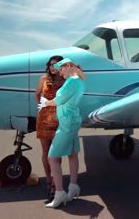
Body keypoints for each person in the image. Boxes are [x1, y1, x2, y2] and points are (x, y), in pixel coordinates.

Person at [40, 58, 85, 208]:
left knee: (52, 157)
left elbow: (58, 100)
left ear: (68, 67)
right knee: (72, 153)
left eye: (61, 69)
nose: (60, 72)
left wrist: (44, 103)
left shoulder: (71, 82)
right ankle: (73, 186)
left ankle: (60, 193)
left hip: (67, 122)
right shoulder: (77, 80)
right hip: (74, 119)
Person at [35, 55, 65, 200]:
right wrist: (42, 107)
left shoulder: (66, 80)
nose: (53, 67)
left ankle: (55, 183)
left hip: (60, 118)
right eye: (52, 65)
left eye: (57, 65)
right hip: (45, 118)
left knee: (56, 152)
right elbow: (37, 94)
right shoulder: (43, 79)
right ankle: (48, 180)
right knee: (46, 150)